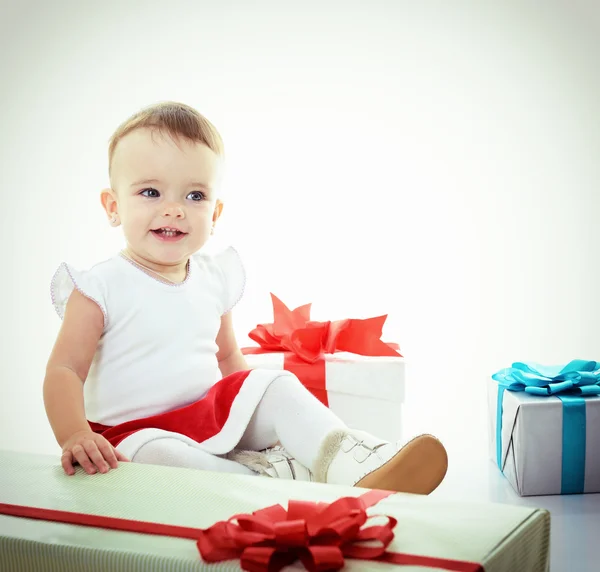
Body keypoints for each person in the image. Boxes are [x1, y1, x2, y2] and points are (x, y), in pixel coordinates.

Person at [43, 101, 448, 494]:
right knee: (157, 456)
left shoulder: (213, 279)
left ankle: (351, 459)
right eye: (150, 192)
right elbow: (65, 369)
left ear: (215, 214)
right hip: (133, 433)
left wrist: (256, 400)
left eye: (194, 196)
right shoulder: (99, 287)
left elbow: (227, 361)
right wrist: (75, 433)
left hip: (205, 414)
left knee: (273, 384)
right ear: (113, 207)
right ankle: (268, 482)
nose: (174, 209)